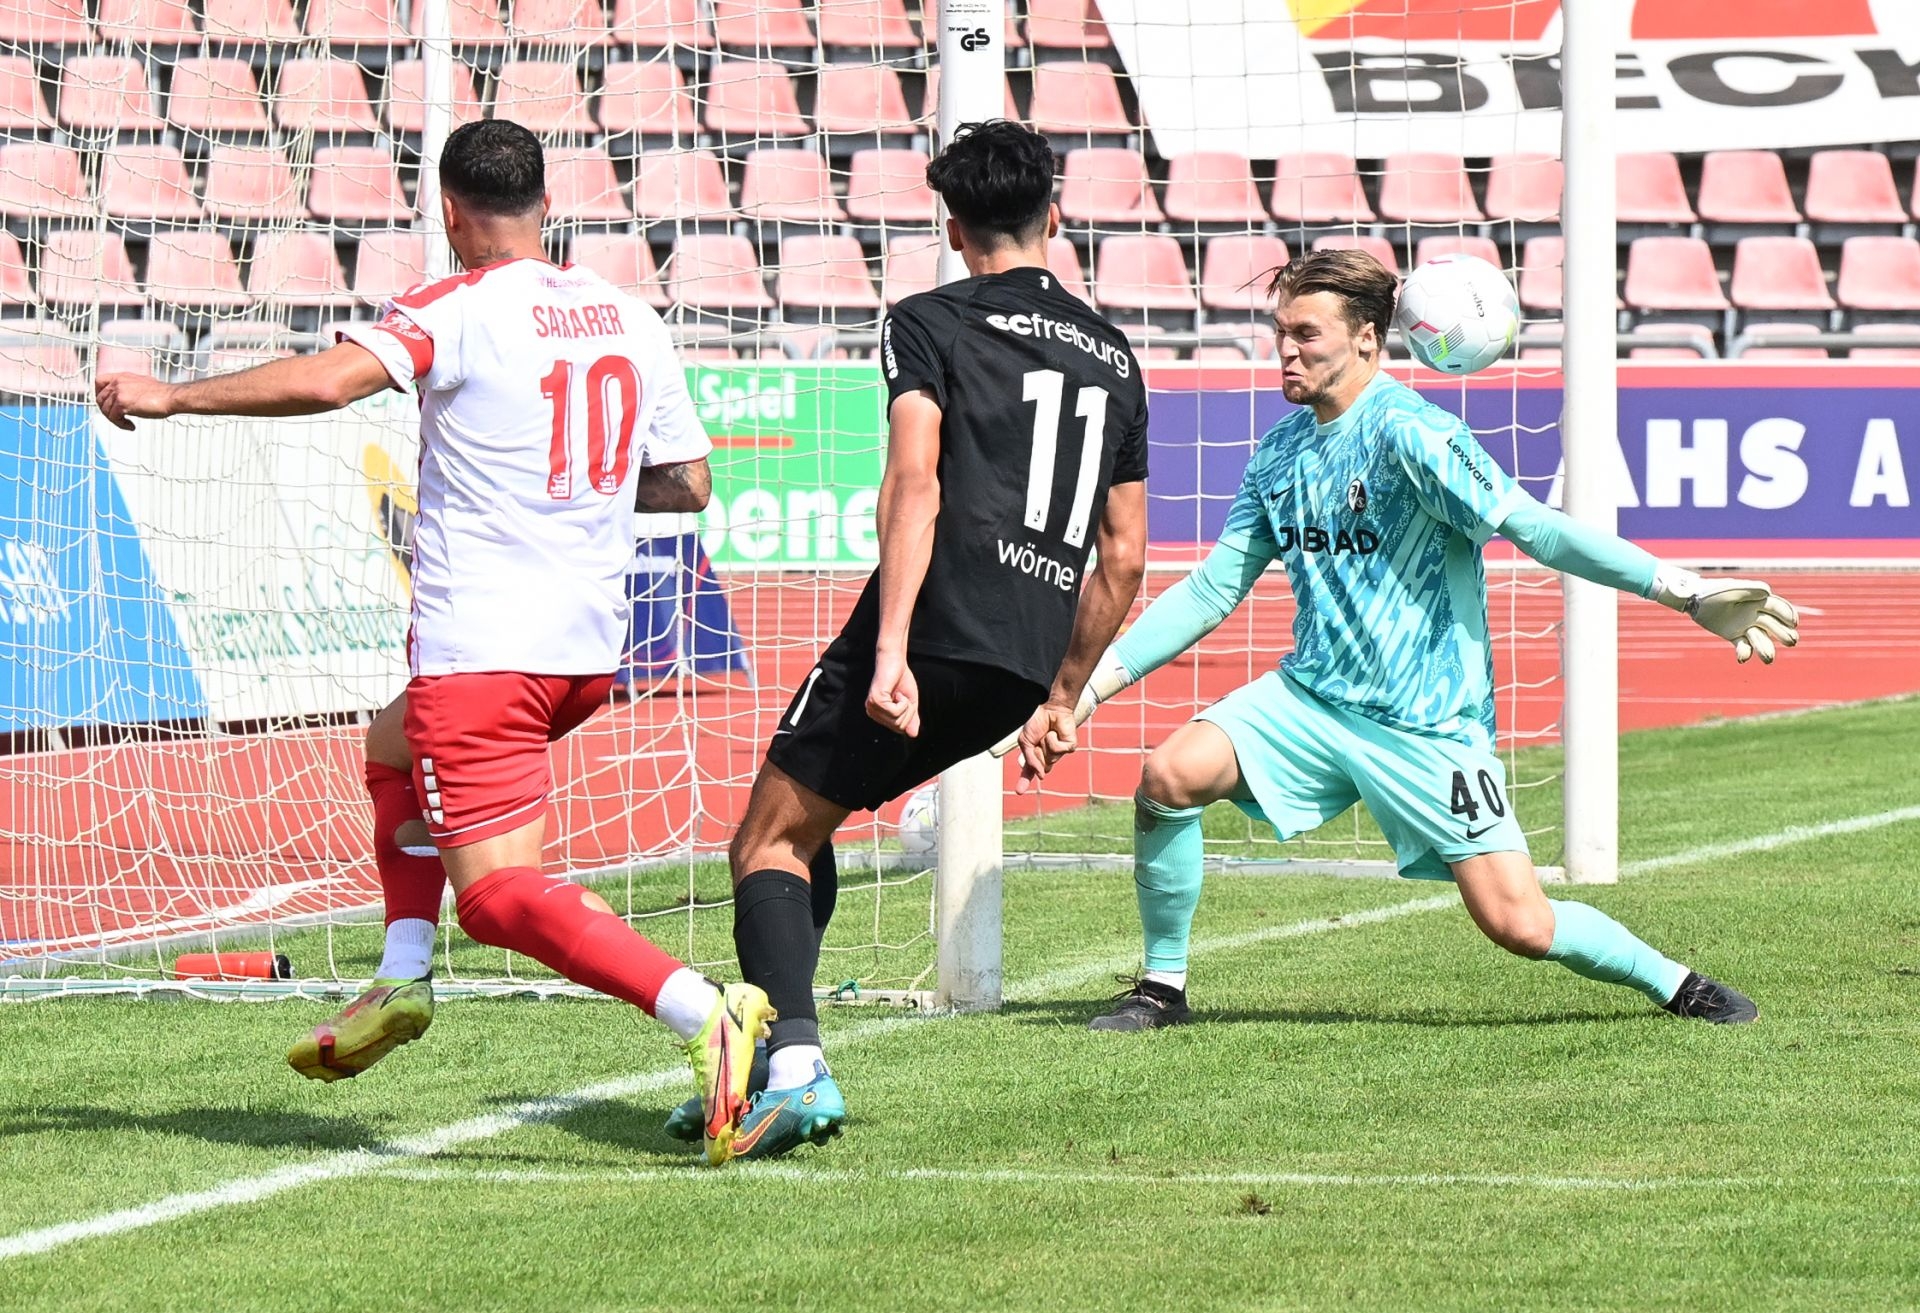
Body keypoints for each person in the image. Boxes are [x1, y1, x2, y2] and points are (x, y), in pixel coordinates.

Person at [94, 119, 773, 1165]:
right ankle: (403, 971)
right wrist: (568, 488)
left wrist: (172, 395)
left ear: (449, 212)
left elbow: (331, 382)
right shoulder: (629, 316)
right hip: (589, 648)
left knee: (497, 896)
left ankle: (702, 1011)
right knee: (390, 743)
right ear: (546, 204)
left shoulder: (450, 307)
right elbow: (687, 484)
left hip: (486, 648)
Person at [1029, 248, 1796, 1031]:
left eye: (1306, 333)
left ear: (1367, 337)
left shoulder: (1416, 435)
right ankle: (1162, 987)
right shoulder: (1279, 452)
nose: (1285, 350)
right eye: (1280, 331)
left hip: (1427, 725)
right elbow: (1212, 589)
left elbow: (1535, 528)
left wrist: (1679, 588)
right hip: (1312, 699)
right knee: (1170, 774)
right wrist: (1083, 691)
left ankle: (1676, 982)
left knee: (1521, 923)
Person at [658, 119, 1152, 1158]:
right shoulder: (1115, 356)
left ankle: (795, 1068)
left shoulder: (929, 320)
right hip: (1020, 663)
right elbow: (1124, 555)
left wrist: (890, 650)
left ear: (952, 226)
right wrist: (1061, 695)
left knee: (768, 840)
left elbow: (915, 481)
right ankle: (765, 1055)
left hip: (934, 632)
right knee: (809, 822)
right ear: (1054, 214)